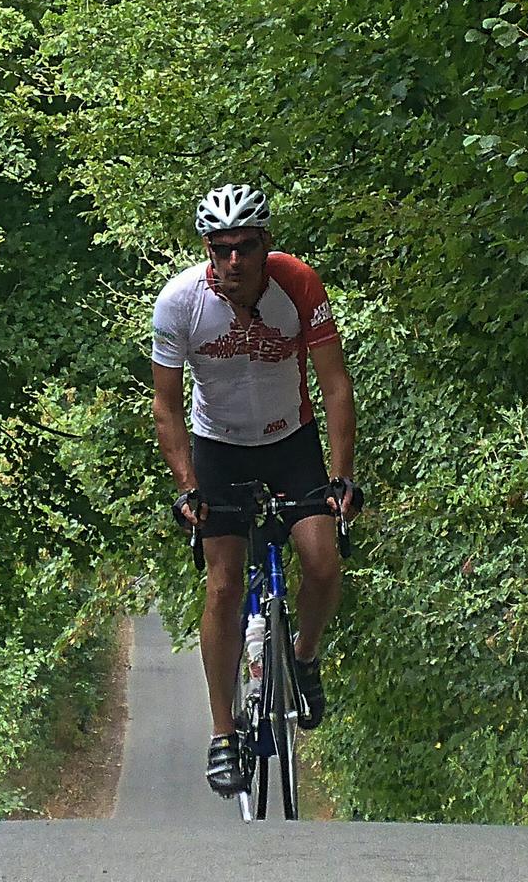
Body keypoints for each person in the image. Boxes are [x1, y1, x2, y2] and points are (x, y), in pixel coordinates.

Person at [149, 182, 363, 797]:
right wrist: (188, 487)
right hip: (218, 446)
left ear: (267, 245)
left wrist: (341, 475)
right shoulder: (180, 303)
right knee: (223, 585)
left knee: (323, 563)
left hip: (289, 440)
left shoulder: (298, 285)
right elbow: (165, 407)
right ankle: (223, 735)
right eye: (221, 249)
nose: (234, 262)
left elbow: (335, 384)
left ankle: (302, 656)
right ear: (207, 250)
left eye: (246, 247)